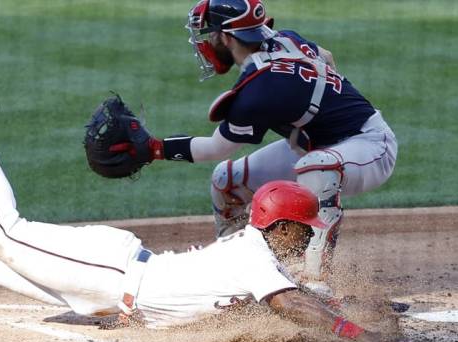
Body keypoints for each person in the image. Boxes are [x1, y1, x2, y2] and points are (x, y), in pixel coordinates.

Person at [0, 75, 407, 342]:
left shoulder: (260, 259)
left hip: (110, 293)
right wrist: (357, 336)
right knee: (6, 233)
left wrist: (372, 308)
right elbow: (294, 306)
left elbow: (301, 298)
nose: (308, 238)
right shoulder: (256, 256)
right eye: (304, 229)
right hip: (112, 271)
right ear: (282, 226)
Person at [94, 0, 398, 292]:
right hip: (316, 148)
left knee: (317, 166)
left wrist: (156, 149)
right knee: (227, 181)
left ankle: (316, 284)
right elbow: (327, 55)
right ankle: (239, 272)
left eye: (210, 33)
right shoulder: (285, 39)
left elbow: (216, 148)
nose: (207, 41)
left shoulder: (258, 90)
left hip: (369, 145)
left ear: (227, 37)